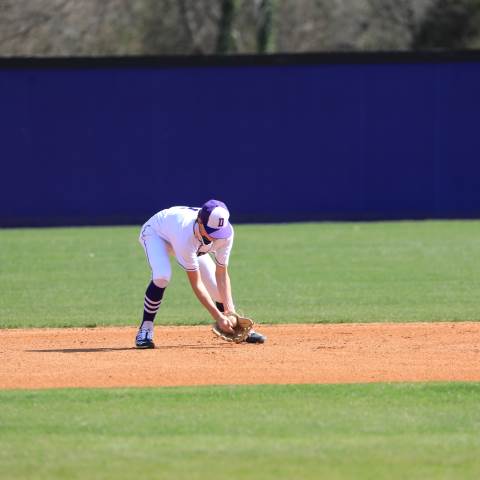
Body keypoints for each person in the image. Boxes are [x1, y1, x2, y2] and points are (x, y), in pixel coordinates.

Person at [135, 199, 266, 348]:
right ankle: (146, 328)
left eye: (219, 232)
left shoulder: (226, 234)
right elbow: (196, 284)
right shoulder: (185, 234)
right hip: (157, 234)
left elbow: (222, 274)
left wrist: (230, 312)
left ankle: (234, 327)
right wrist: (218, 316)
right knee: (162, 276)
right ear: (200, 222)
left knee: (217, 291)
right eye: (212, 232)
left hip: (195, 244)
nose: (216, 237)